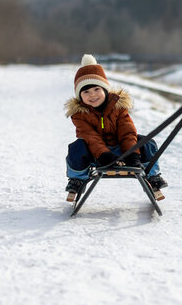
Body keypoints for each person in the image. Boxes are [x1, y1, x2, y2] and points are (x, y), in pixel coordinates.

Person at [64, 54, 167, 200]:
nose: (92, 95)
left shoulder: (118, 108)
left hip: (123, 151)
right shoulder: (79, 114)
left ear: (105, 89)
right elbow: (90, 137)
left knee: (147, 142)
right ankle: (77, 179)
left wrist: (132, 153)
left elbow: (127, 131)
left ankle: (152, 177)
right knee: (77, 147)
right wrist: (104, 155)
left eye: (96, 89)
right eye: (86, 92)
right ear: (80, 96)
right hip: (97, 154)